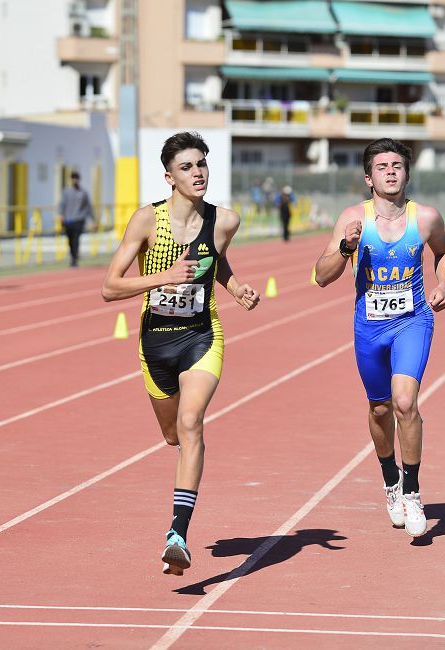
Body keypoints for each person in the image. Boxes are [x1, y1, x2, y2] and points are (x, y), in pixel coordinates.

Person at [101, 131, 260, 576]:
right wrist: (161, 277)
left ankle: (177, 534)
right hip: (155, 345)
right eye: (187, 167)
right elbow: (109, 287)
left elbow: (217, 261)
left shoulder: (224, 220)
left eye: (202, 164)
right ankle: (179, 477)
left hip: (201, 336)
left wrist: (235, 287)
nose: (198, 173)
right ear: (169, 177)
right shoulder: (146, 221)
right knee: (173, 435)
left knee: (192, 424)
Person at [313, 138, 445, 539]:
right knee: (379, 410)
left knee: (405, 402)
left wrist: (443, 284)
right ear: (368, 178)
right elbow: (321, 276)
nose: (390, 171)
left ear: (407, 174)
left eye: (397, 165)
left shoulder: (425, 217)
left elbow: (444, 253)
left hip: (412, 320)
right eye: (382, 166)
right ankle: (390, 479)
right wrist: (345, 247)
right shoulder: (352, 219)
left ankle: (411, 491)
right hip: (369, 327)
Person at [59, 170, 93, 267]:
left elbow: (88, 207)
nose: (75, 180)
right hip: (68, 220)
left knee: (76, 240)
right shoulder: (66, 192)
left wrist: (91, 219)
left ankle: (74, 259)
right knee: (70, 241)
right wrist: (61, 214)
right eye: (73, 178)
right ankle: (73, 256)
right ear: (71, 179)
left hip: (79, 220)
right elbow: (62, 204)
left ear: (79, 179)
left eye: (76, 178)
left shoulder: (83, 193)